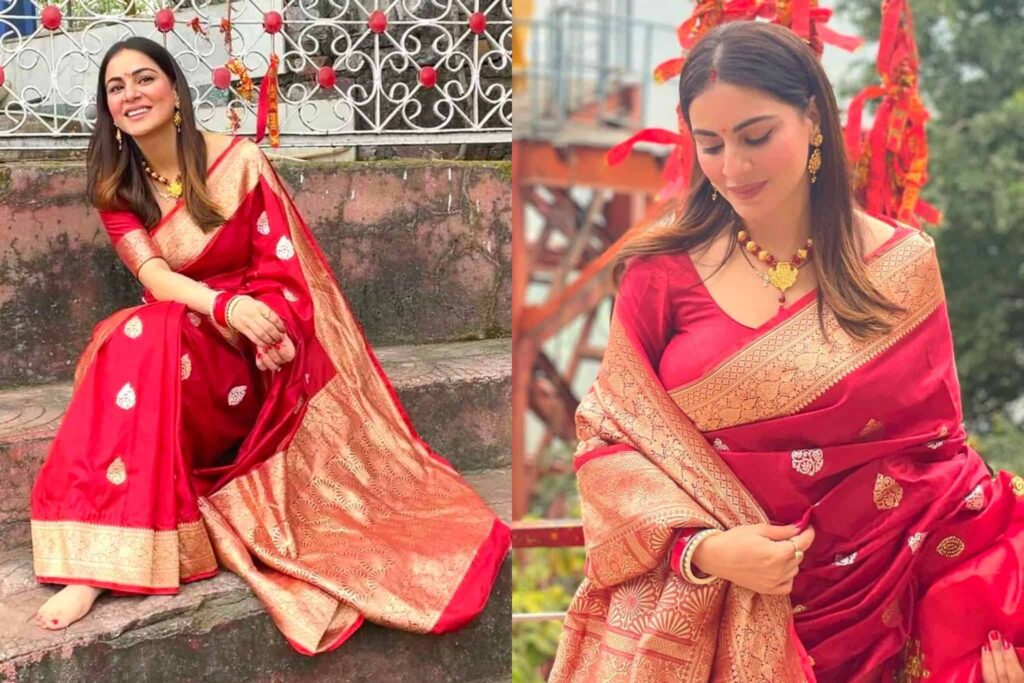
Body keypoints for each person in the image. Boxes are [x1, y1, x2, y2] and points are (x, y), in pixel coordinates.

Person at [549, 21, 1024, 683]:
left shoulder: (902, 267)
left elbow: (937, 461)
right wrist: (707, 550)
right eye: (709, 144)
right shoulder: (659, 276)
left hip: (889, 611)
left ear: (813, 120)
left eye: (756, 136)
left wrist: (983, 629)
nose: (733, 168)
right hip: (723, 614)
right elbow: (609, 441)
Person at [29, 37, 510, 654]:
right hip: (184, 347)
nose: (130, 95)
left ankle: (105, 555)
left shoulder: (239, 162)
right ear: (108, 110)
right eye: (115, 88)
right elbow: (153, 277)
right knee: (137, 330)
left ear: (174, 90)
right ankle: (95, 566)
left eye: (143, 79)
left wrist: (261, 322)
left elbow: (286, 273)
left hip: (256, 356)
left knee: (144, 335)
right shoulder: (115, 185)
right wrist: (223, 304)